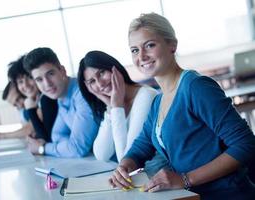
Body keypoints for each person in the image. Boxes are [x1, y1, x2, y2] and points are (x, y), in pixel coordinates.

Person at [109, 13, 255, 199]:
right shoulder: (158, 102)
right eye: (134, 50)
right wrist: (124, 166)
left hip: (228, 194)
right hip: (193, 196)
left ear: (172, 45)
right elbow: (141, 147)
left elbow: (245, 144)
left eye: (150, 45)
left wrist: (185, 179)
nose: (142, 56)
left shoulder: (195, 87)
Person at [78, 50, 160, 164]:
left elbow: (126, 159)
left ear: (114, 67)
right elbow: (102, 154)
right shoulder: (113, 103)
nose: (100, 84)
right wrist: (111, 108)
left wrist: (116, 107)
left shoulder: (146, 95)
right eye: (92, 81)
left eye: (101, 73)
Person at [23, 47, 99, 157]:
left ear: (62, 70)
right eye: (39, 79)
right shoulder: (61, 96)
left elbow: (77, 149)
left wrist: (42, 148)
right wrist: (68, 146)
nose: (47, 84)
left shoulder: (82, 93)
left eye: (50, 74)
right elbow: (56, 136)